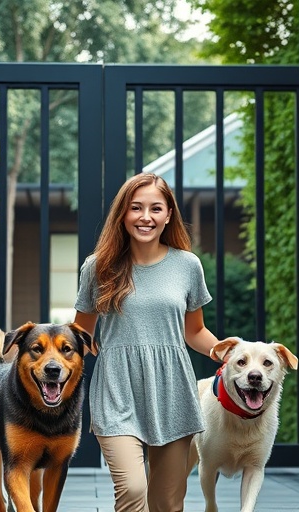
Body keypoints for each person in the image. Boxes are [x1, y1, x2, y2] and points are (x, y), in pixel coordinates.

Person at [73, 172, 224, 512]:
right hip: (116, 392)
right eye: (136, 208)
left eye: (156, 208)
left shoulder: (187, 265)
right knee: (132, 490)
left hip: (172, 390)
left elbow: (194, 331)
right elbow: (81, 335)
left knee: (167, 504)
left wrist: (226, 354)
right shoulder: (98, 268)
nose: (145, 217)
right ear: (123, 214)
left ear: (169, 214)